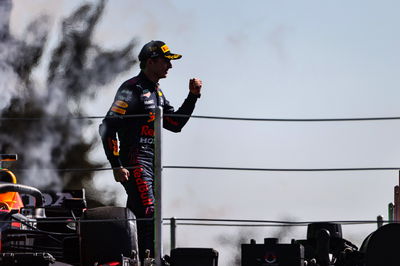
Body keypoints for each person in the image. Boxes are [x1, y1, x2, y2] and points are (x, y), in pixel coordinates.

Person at [99, 40, 202, 261]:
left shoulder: (158, 92)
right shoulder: (131, 89)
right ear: (151, 61)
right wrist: (116, 165)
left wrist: (192, 96)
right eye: (166, 61)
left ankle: (132, 257)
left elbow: (175, 124)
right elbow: (107, 127)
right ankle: (151, 259)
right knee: (149, 210)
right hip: (134, 159)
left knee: (139, 213)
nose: (170, 67)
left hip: (153, 162)